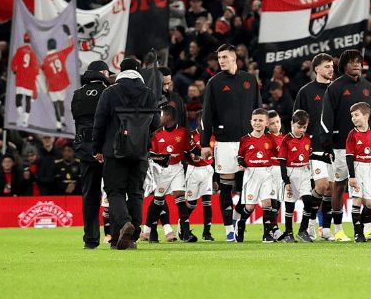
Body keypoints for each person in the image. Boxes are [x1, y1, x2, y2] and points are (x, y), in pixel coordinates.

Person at [92, 58, 161, 251]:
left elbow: (100, 122)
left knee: (115, 191)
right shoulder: (149, 94)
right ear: (139, 72)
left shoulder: (110, 92)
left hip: (114, 151)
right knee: (136, 193)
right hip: (140, 152)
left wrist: (96, 148)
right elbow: (155, 123)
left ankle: (124, 225)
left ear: (120, 71)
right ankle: (130, 238)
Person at [199, 44, 260, 242]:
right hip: (225, 142)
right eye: (219, 58)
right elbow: (207, 116)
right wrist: (205, 144)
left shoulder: (249, 80)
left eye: (225, 57)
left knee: (247, 187)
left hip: (248, 143)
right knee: (226, 186)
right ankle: (228, 230)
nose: (221, 61)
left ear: (234, 58)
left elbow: (259, 111)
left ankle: (236, 219)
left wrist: (261, 137)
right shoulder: (214, 83)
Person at [325, 50, 371, 239]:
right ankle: (337, 229)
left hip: (366, 147)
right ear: (344, 65)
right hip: (340, 145)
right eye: (352, 62)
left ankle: (368, 228)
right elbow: (326, 116)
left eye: (359, 62)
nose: (356, 65)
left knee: (366, 185)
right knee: (339, 185)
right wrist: (326, 141)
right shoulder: (335, 87)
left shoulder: (369, 87)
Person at [293, 53, 337, 239]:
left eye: (332, 66)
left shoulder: (337, 89)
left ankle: (325, 229)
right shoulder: (306, 91)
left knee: (332, 189)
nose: (331, 69)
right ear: (317, 68)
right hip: (315, 147)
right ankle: (310, 223)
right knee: (321, 185)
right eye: (327, 66)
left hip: (335, 147)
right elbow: (297, 119)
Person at [71, 59, 112, 250]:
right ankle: (117, 235)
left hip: (85, 150)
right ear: (103, 73)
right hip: (106, 149)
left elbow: (77, 120)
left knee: (90, 195)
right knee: (115, 193)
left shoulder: (77, 95)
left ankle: (90, 239)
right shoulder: (108, 92)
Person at [144, 105, 189, 243]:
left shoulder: (183, 133)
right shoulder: (157, 134)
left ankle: (186, 233)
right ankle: (150, 232)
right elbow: (151, 155)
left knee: (180, 198)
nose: (159, 118)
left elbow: (189, 150)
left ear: (168, 117)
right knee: (158, 201)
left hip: (177, 168)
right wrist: (162, 158)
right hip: (161, 170)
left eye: (161, 115)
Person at [238, 107, 283, 242]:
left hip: (267, 172)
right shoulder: (245, 139)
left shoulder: (270, 140)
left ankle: (267, 234)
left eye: (261, 120)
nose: (257, 123)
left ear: (266, 123)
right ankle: (240, 225)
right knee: (250, 207)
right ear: (251, 122)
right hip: (251, 174)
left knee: (267, 203)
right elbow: (240, 155)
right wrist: (241, 161)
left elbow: (279, 154)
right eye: (255, 120)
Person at [343, 102, 371, 242]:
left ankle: (367, 230)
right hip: (356, 168)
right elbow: (349, 156)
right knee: (357, 199)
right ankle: (357, 233)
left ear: (366, 116)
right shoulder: (352, 135)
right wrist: (352, 176)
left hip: (370, 168)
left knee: (370, 204)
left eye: (356, 115)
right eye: (351, 116)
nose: (353, 118)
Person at [279, 109, 315, 242]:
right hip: (290, 172)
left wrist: (324, 158)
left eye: (304, 127)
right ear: (292, 124)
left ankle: (302, 230)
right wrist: (286, 180)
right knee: (290, 205)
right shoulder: (286, 140)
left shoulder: (307, 139)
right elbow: (281, 162)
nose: (302, 130)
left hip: (304, 172)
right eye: (299, 127)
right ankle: (288, 233)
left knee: (308, 201)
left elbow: (309, 155)